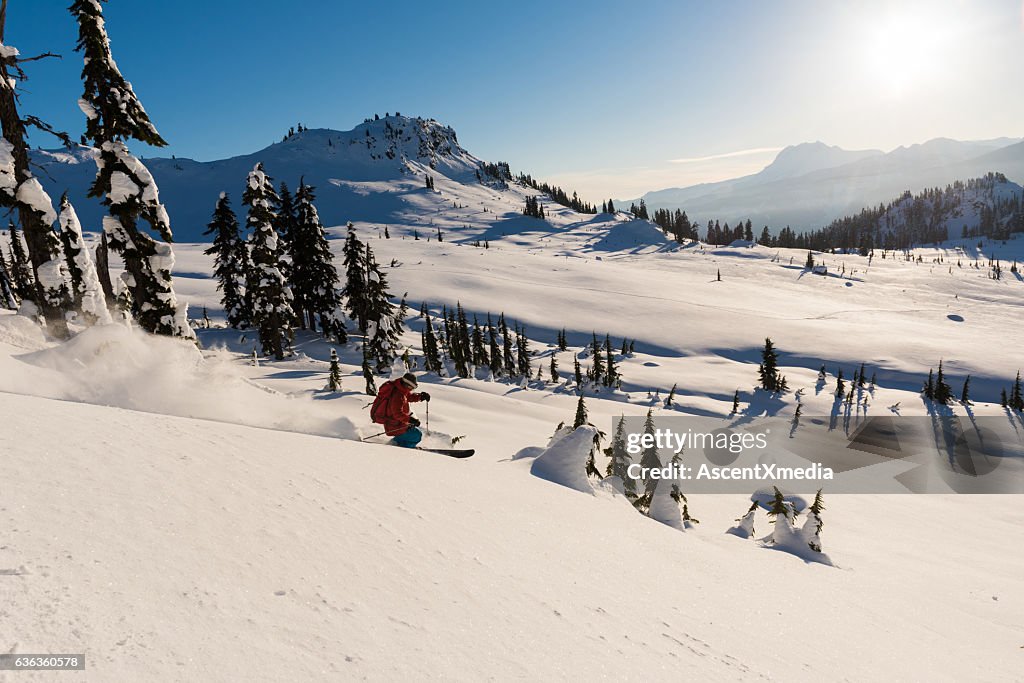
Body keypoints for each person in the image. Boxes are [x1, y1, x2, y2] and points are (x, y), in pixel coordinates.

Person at [370, 372, 431, 448]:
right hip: (395, 424)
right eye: (411, 387)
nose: (411, 389)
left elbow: (408, 396)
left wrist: (420, 397)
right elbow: (397, 414)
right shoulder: (398, 395)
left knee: (413, 434)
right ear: (407, 384)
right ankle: (404, 449)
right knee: (417, 436)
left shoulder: (400, 389)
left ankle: (395, 444)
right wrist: (411, 420)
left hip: (396, 423)